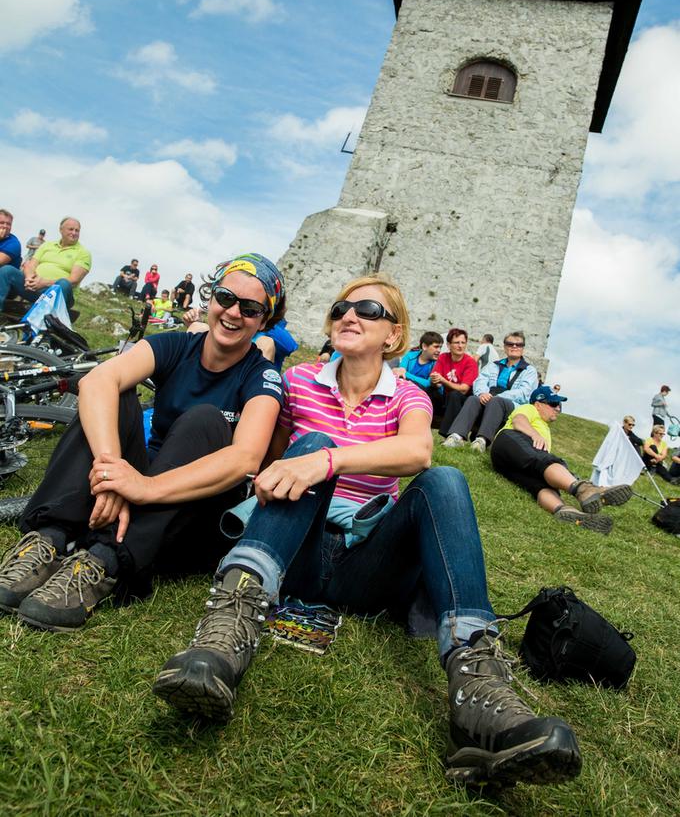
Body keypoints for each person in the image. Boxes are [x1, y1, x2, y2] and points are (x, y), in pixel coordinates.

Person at [153, 273, 582, 790]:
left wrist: (329, 461)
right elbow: (266, 458)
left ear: (394, 335)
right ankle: (227, 632)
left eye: (369, 311)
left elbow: (417, 452)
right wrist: (302, 461)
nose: (349, 316)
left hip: (367, 564)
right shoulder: (297, 382)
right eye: (341, 308)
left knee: (444, 479)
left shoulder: (408, 397)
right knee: (306, 446)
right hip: (296, 552)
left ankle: (479, 688)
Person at [0, 253, 286, 632]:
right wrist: (110, 470)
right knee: (113, 396)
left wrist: (145, 487)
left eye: (250, 308)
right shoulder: (176, 345)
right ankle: (49, 540)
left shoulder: (262, 376)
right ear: (211, 298)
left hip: (194, 512)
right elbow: (98, 381)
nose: (233, 312)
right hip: (137, 485)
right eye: (226, 298)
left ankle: (104, 564)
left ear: (264, 320)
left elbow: (245, 457)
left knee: (205, 419)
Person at [490, 386, 632, 534]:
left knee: (540, 485)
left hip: (507, 465)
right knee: (545, 461)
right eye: (553, 404)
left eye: (559, 405)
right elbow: (518, 421)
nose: (557, 409)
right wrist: (535, 435)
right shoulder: (529, 408)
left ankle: (566, 511)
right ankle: (584, 489)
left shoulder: (545, 428)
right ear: (538, 404)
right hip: (507, 442)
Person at [443, 331, 538, 452]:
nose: (514, 347)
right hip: (489, 397)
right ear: (504, 346)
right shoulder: (494, 365)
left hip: (512, 404)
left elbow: (524, 392)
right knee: (473, 399)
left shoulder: (529, 371)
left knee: (497, 401)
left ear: (522, 348)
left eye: (518, 344)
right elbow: (480, 380)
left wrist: (497, 396)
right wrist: (482, 393)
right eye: (510, 344)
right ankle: (456, 436)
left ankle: (481, 441)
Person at [0, 216, 90, 313]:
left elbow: (73, 280)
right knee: (7, 270)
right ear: (61, 230)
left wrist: (44, 282)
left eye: (77, 230)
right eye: (71, 229)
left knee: (63, 283)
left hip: (59, 294)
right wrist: (29, 278)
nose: (74, 233)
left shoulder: (83, 253)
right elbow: (31, 264)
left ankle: (37, 322)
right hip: (34, 287)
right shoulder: (47, 245)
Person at [431, 328, 478, 437]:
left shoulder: (470, 362)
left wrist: (442, 380)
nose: (460, 346)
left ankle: (448, 434)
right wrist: (435, 381)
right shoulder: (443, 357)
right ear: (448, 345)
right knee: (429, 390)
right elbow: (436, 381)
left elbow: (464, 389)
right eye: (457, 342)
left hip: (464, 400)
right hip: (446, 397)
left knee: (454, 395)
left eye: (463, 343)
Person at [393, 331, 443, 416]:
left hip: (432, 397)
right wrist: (402, 373)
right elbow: (400, 374)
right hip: (408, 394)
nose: (439, 350)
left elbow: (428, 383)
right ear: (424, 346)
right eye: (436, 347)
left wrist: (407, 374)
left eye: (440, 347)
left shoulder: (438, 362)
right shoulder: (410, 356)